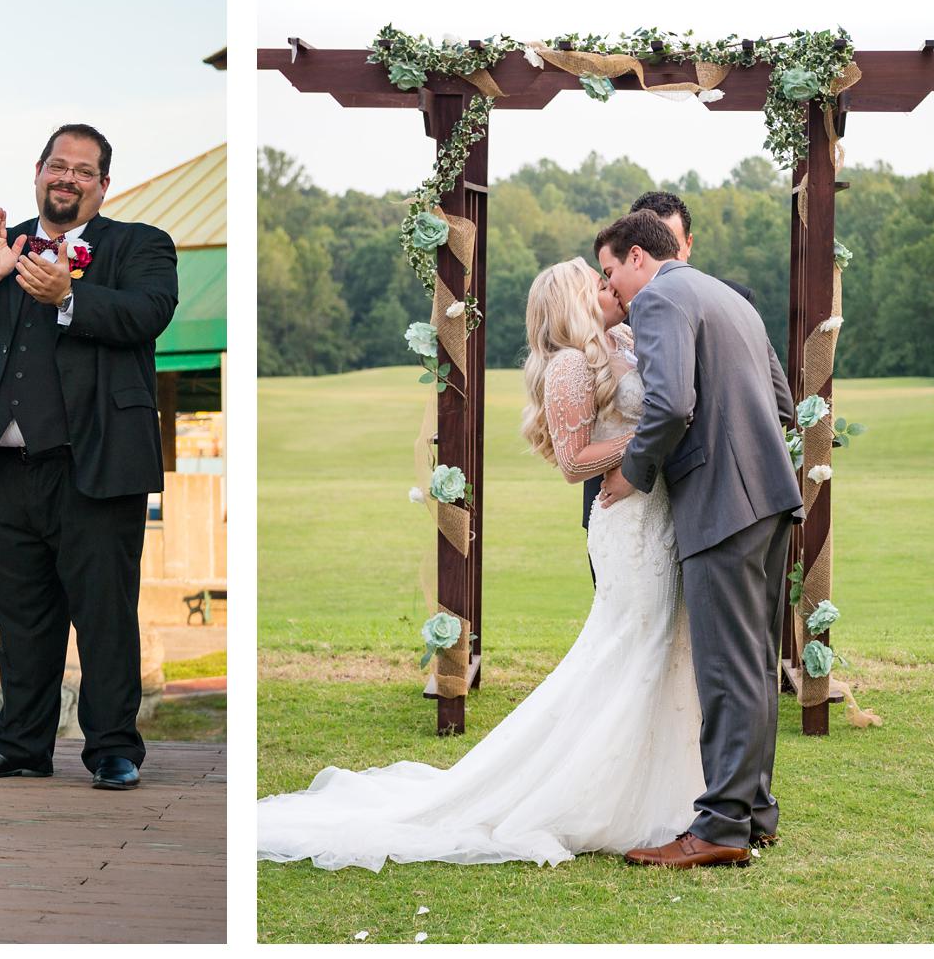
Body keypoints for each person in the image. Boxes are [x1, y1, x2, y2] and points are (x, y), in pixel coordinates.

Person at [257, 257, 703, 871]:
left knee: (665, 644)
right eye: (594, 283)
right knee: (630, 644)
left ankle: (673, 786)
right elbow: (574, 462)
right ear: (573, 300)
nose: (608, 288)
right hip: (625, 524)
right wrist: (650, 438)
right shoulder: (569, 365)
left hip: (661, 518)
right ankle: (596, 793)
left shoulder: (622, 341)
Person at [0, 124, 177, 792]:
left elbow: (148, 314)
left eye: (83, 170)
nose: (67, 178)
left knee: (104, 614)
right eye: (57, 166)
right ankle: (21, 744)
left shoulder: (139, 246)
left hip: (93, 469)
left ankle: (113, 748)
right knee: (21, 618)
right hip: (5, 471)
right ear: (36, 172)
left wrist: (68, 295)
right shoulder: (0, 248)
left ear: (102, 185)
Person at [595, 211, 802, 869]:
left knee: (724, 669)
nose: (613, 289)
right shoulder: (725, 296)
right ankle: (754, 811)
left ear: (635, 257)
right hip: (771, 496)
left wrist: (633, 474)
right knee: (755, 665)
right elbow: (783, 404)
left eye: (608, 271)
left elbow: (672, 405)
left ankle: (719, 829)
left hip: (722, 504)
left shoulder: (659, 299)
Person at [581, 192, 756, 537]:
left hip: (708, 497)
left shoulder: (727, 298)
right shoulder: (611, 312)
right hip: (621, 498)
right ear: (634, 250)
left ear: (686, 245)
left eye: (670, 243)